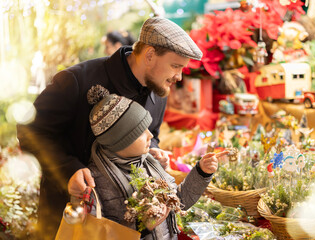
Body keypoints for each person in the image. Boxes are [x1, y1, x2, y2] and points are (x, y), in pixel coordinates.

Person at [17, 17, 203, 239]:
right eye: (175, 66)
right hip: (68, 219)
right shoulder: (77, 80)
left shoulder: (159, 92)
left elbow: (152, 136)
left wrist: (153, 150)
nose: (179, 76)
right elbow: (30, 131)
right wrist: (68, 169)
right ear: (150, 55)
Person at [76, 87, 226, 239]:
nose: (150, 135)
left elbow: (179, 201)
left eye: (147, 128)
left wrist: (201, 172)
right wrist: (142, 228)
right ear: (120, 141)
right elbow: (95, 233)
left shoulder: (148, 163)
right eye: (140, 132)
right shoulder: (95, 181)